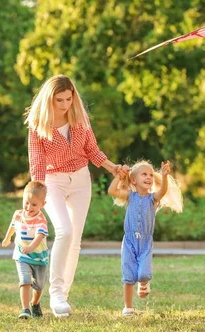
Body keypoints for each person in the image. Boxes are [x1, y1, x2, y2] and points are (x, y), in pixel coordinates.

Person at [25, 75, 122, 317]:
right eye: (60, 100)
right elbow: (36, 161)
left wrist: (113, 168)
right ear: (50, 98)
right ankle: (55, 293)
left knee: (75, 241)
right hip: (52, 181)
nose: (65, 104)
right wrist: (36, 194)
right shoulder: (38, 123)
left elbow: (92, 150)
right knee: (64, 231)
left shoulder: (79, 116)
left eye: (69, 98)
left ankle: (62, 298)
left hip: (80, 180)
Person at [108, 160, 183, 316]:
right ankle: (128, 308)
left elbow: (162, 192)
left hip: (145, 243)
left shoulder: (153, 198)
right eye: (144, 174)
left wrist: (164, 176)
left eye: (150, 174)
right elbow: (111, 191)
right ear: (134, 180)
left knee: (143, 274)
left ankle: (144, 283)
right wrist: (120, 177)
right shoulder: (130, 196)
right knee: (128, 277)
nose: (148, 177)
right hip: (129, 242)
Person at [2, 181, 50, 319]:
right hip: (22, 255)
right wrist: (7, 238)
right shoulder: (18, 214)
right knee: (25, 280)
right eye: (26, 202)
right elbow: (13, 226)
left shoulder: (41, 220)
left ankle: (35, 303)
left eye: (34, 204)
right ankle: (25, 309)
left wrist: (31, 247)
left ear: (42, 205)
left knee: (39, 286)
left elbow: (39, 237)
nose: (29, 207)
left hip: (39, 257)